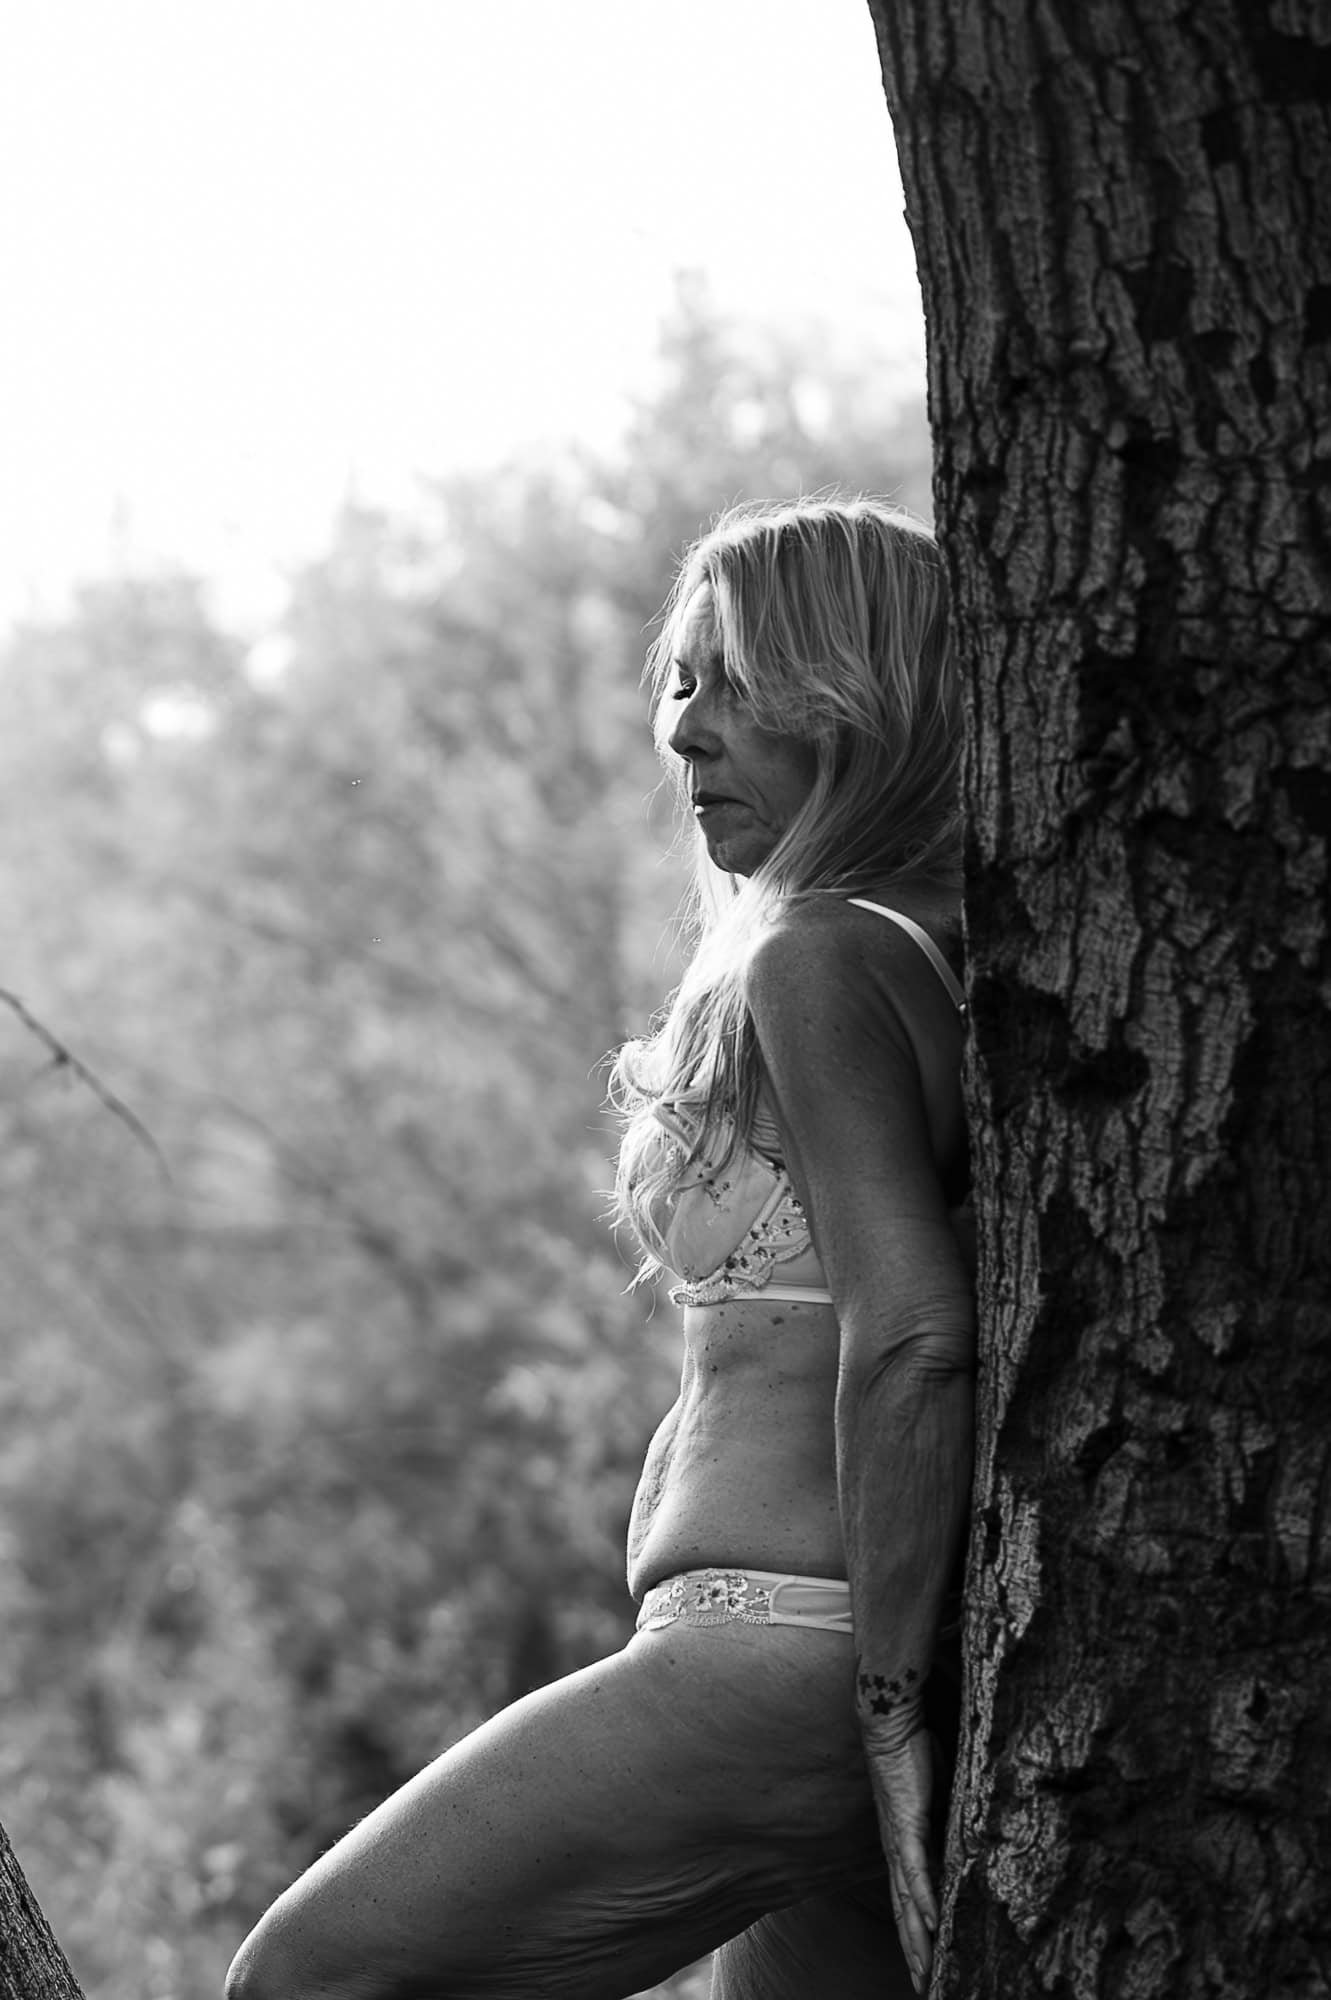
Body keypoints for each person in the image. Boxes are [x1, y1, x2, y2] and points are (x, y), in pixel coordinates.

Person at [226, 497, 974, 2000]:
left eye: (738, 682)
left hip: (777, 1665)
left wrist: (893, 1721)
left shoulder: (819, 955)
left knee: (299, 1979)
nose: (685, 734)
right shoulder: (922, 943)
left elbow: (913, 1335)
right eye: (678, 684)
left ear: (858, 693)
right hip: (795, 1669)